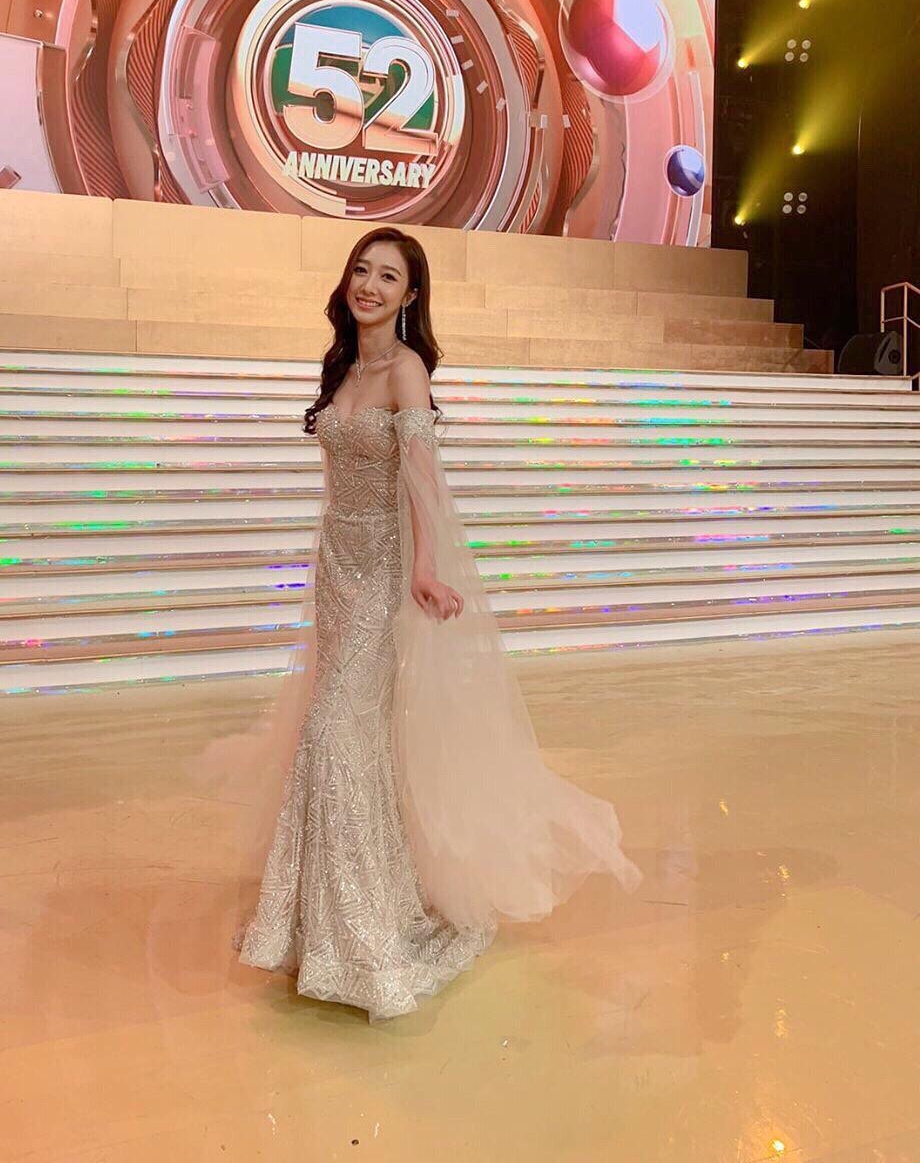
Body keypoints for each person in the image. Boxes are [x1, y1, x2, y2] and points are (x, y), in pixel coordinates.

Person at [224, 227, 642, 1022]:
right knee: (344, 735)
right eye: (362, 270)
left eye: (389, 276)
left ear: (411, 295)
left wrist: (423, 566)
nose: (370, 285)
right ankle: (323, 917)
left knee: (334, 731)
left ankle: (365, 934)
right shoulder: (345, 367)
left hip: (385, 573)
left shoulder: (407, 370)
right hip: (335, 568)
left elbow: (422, 477)